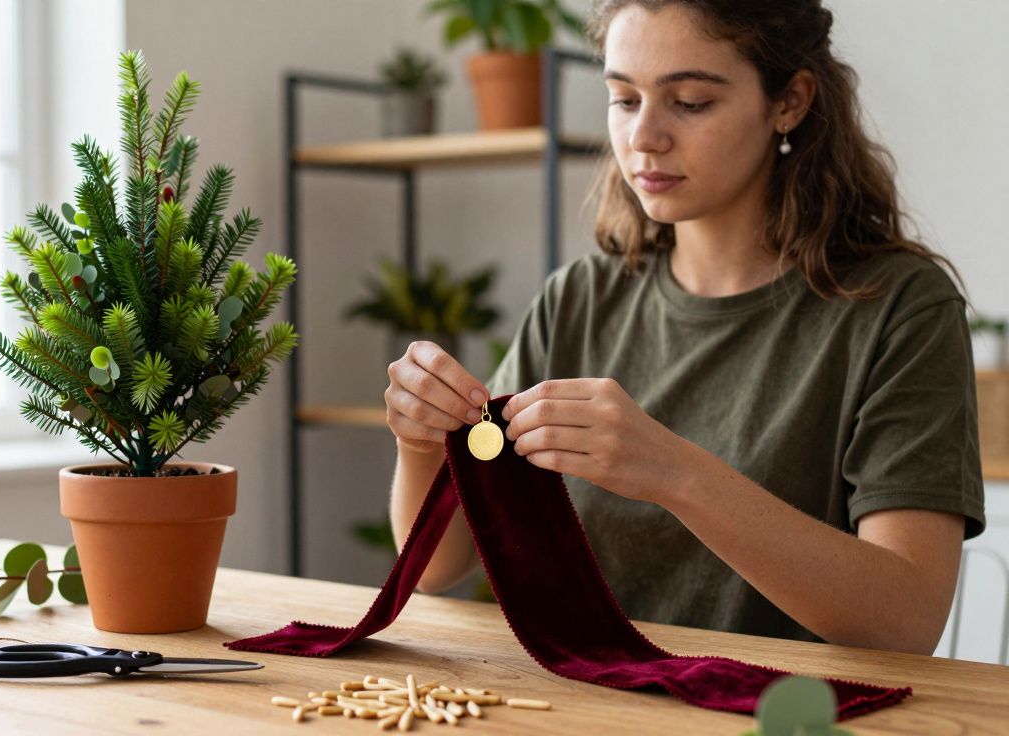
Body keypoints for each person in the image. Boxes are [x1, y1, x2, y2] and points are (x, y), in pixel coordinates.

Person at [384, 0, 985, 655]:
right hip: (591, 710)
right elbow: (441, 564)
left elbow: (904, 620)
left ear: (790, 102)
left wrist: (676, 474)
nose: (644, 137)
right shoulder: (580, 300)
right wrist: (421, 444)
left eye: (691, 102)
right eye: (623, 98)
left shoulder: (901, 309)